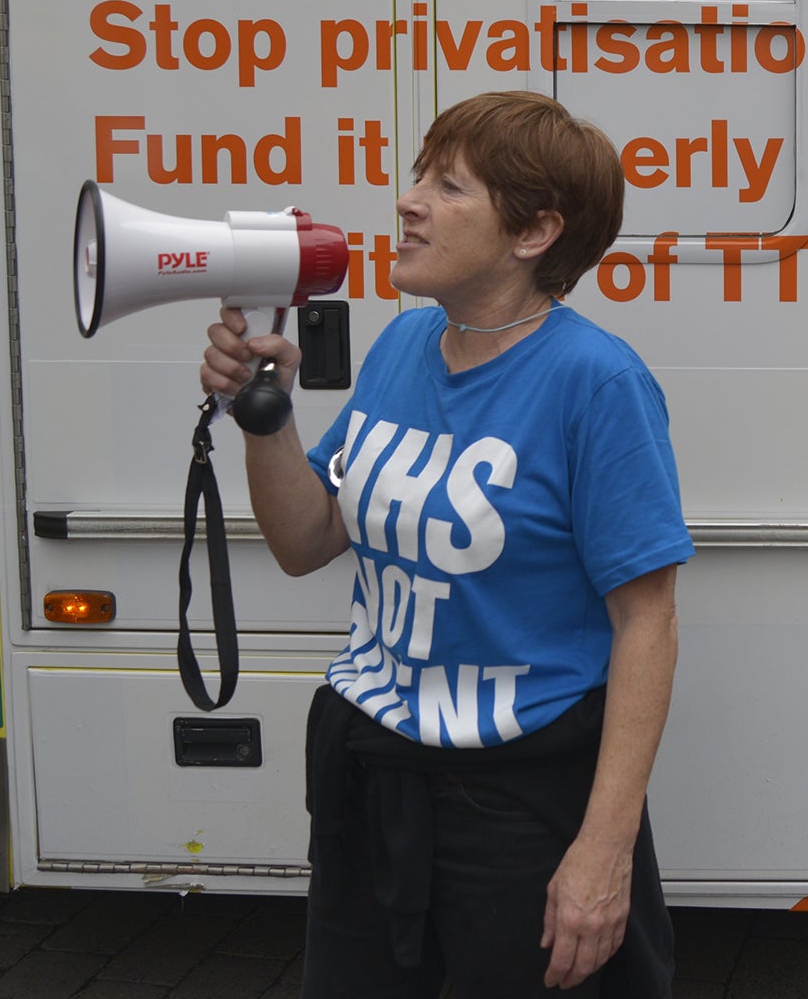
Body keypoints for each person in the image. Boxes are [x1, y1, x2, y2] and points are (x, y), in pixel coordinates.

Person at [200, 91, 693, 997]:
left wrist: (603, 850)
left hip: (519, 804)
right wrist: (260, 416)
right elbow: (308, 541)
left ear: (535, 231)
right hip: (371, 783)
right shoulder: (404, 345)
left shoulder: (599, 382)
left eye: (448, 186)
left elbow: (648, 623)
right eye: (420, 175)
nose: (408, 200)